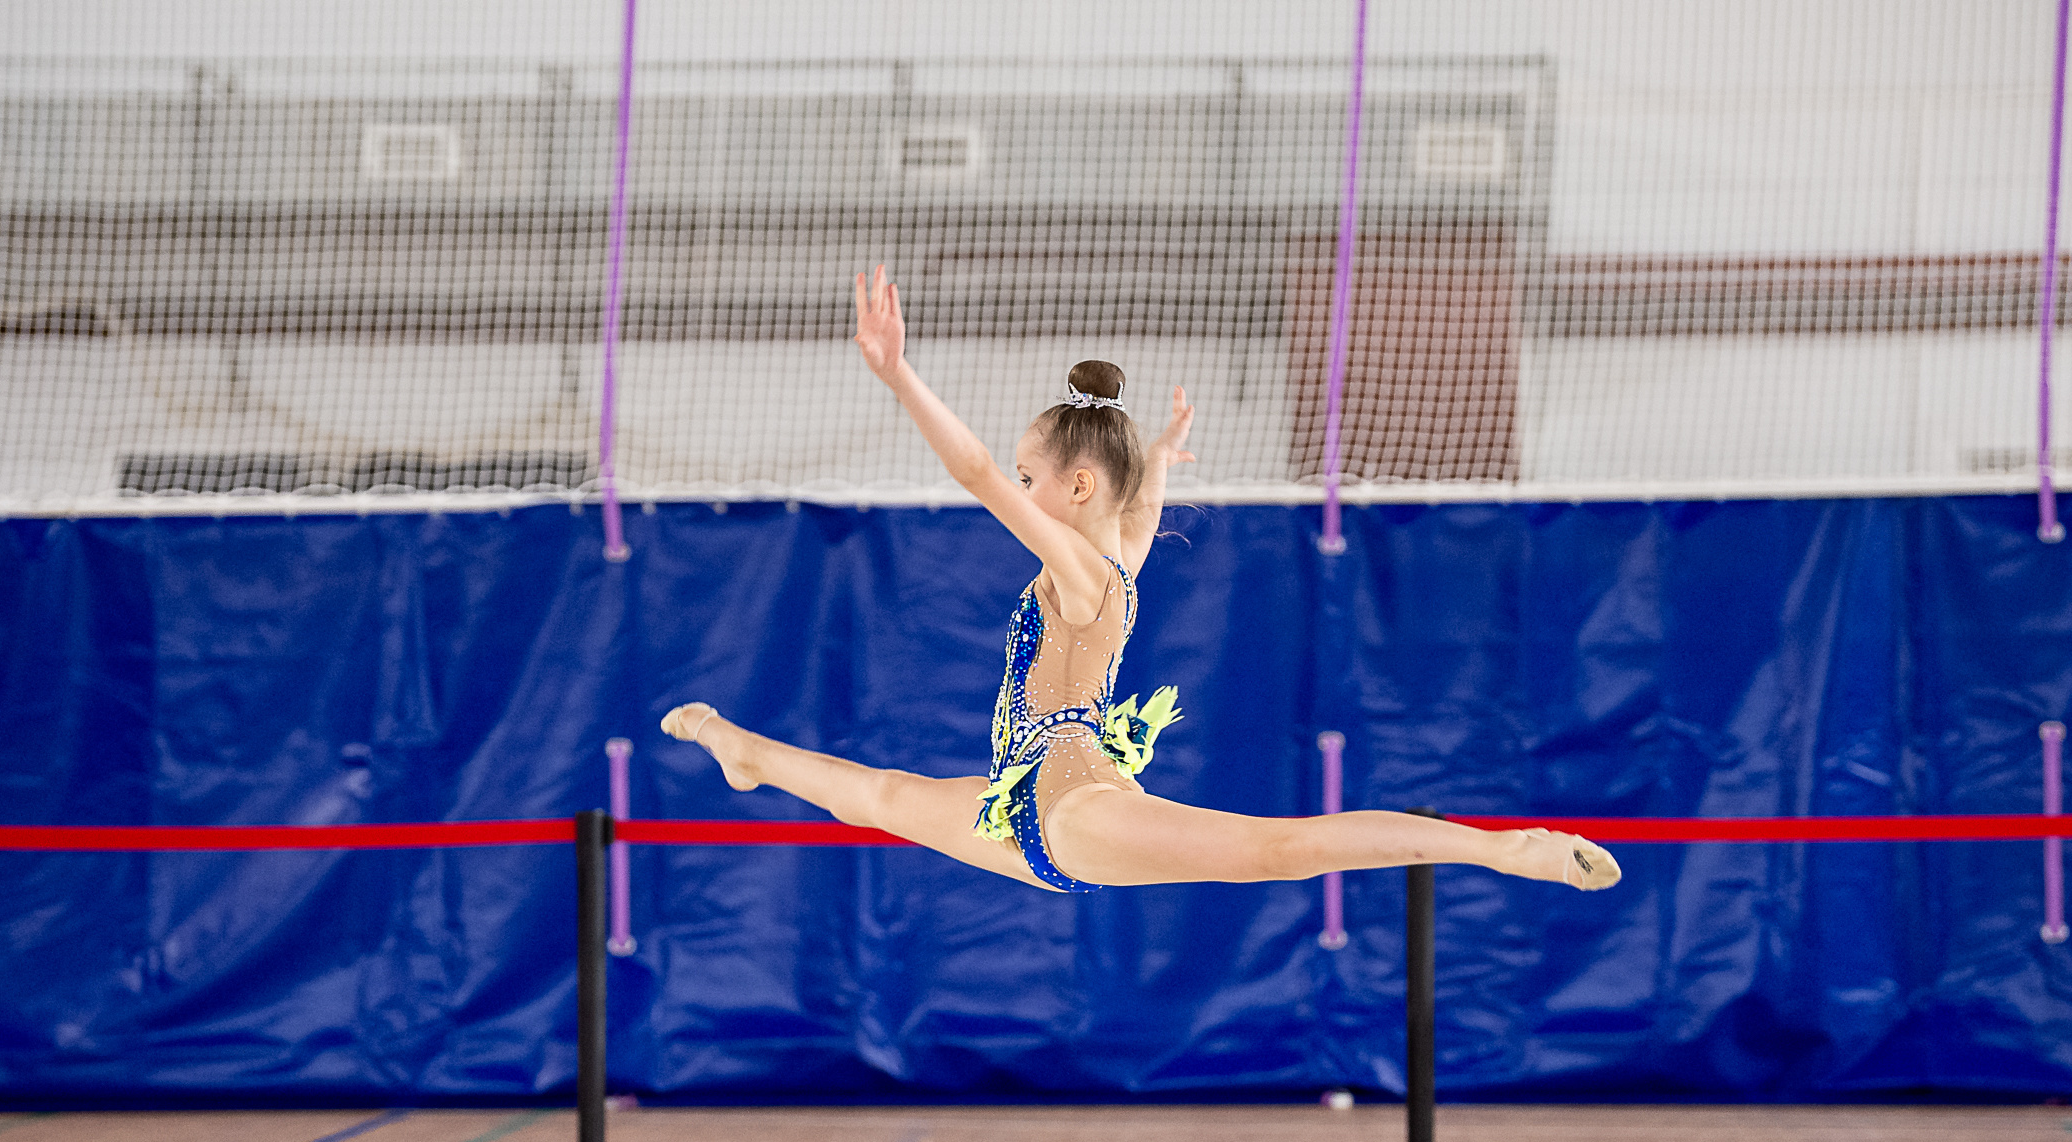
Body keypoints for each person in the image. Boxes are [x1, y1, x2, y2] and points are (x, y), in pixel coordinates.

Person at [661, 265, 1621, 897]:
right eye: (1024, 482)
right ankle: (739, 748)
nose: (1020, 493)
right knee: (879, 794)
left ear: (1077, 487)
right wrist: (1156, 456)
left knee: (1279, 849)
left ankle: (1504, 848)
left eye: (1036, 481)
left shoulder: (1082, 569)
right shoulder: (1115, 556)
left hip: (1073, 812)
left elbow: (978, 472)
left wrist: (901, 376)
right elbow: (1140, 509)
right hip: (1020, 806)